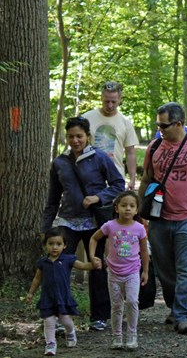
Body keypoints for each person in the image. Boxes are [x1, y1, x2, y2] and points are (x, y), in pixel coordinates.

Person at [138, 102, 187, 335]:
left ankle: (184, 315)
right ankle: (174, 307)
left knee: (185, 269)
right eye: (158, 125)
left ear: (179, 123)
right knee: (165, 270)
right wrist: (138, 210)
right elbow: (146, 179)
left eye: (164, 125)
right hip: (159, 218)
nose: (160, 129)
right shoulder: (154, 147)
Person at [41, 116, 125, 332]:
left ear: (88, 136)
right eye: (71, 136)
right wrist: (46, 228)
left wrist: (98, 197)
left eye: (79, 136)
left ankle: (100, 317)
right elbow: (52, 198)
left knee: (97, 266)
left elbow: (117, 185)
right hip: (67, 221)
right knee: (58, 268)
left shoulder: (100, 158)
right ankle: (60, 315)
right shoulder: (59, 162)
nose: (75, 140)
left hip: (94, 221)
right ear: (66, 137)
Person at [26, 227, 102, 356]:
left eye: (58, 244)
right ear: (45, 245)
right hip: (47, 298)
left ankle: (70, 332)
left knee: (65, 320)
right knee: (49, 322)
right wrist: (30, 293)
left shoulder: (68, 259)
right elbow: (37, 279)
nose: (54, 247)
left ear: (64, 245)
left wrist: (94, 264)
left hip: (63, 297)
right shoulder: (43, 263)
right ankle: (50, 344)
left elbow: (83, 266)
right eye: (51, 244)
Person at [89, 190, 149, 351]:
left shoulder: (140, 228)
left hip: (132, 272)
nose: (127, 209)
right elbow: (94, 238)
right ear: (116, 208)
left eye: (131, 206)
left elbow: (144, 251)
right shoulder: (110, 226)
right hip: (114, 273)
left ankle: (132, 335)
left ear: (136, 210)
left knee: (132, 301)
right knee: (116, 306)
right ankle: (117, 337)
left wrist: (146, 271)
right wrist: (93, 256)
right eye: (123, 205)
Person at [82, 81, 139, 190]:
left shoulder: (125, 122)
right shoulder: (87, 118)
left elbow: (130, 152)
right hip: (90, 176)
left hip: (115, 177)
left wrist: (132, 178)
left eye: (113, 102)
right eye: (106, 101)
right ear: (101, 98)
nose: (110, 105)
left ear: (120, 100)